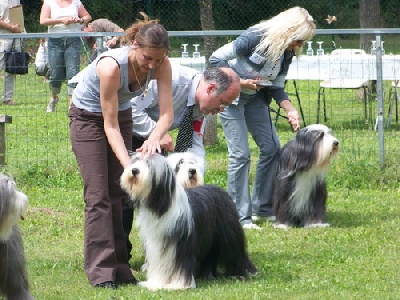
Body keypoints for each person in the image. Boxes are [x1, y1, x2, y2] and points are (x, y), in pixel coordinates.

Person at [68, 12, 173, 289]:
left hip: (121, 115)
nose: (152, 64)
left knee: (121, 193)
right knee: (99, 194)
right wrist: (131, 164)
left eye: (158, 59)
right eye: (147, 58)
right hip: (87, 118)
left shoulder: (162, 64)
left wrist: (154, 137)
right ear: (134, 45)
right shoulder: (111, 67)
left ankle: (121, 267)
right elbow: (109, 125)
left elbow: (167, 114)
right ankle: (102, 271)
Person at [209, 6, 316, 230]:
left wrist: (291, 110)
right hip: (232, 98)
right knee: (240, 154)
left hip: (256, 99)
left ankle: (263, 207)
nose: (298, 46)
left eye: (301, 42)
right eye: (297, 40)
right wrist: (239, 81)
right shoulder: (254, 37)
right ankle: (239, 216)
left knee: (272, 148)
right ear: (288, 31)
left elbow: (277, 87)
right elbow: (216, 58)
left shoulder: (287, 53)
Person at [122, 63, 241, 258]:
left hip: (155, 141)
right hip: (128, 130)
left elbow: (194, 141)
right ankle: (120, 257)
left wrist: (194, 174)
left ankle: (160, 252)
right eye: (223, 102)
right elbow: (131, 108)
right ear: (211, 89)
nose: (221, 109)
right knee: (127, 199)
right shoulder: (174, 80)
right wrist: (156, 132)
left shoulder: (200, 106)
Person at [40, 0, 92, 112]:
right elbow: (43, 21)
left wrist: (80, 20)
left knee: (73, 72)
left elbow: (87, 16)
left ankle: (71, 103)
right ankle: (54, 97)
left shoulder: (76, 2)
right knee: (55, 73)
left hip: (73, 40)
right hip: (55, 41)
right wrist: (61, 20)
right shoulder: (49, 2)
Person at [0, 0, 22, 105]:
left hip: (16, 37)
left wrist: (19, 29)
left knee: (12, 69)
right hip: (2, 37)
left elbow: (18, 16)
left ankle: (7, 98)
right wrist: (11, 27)